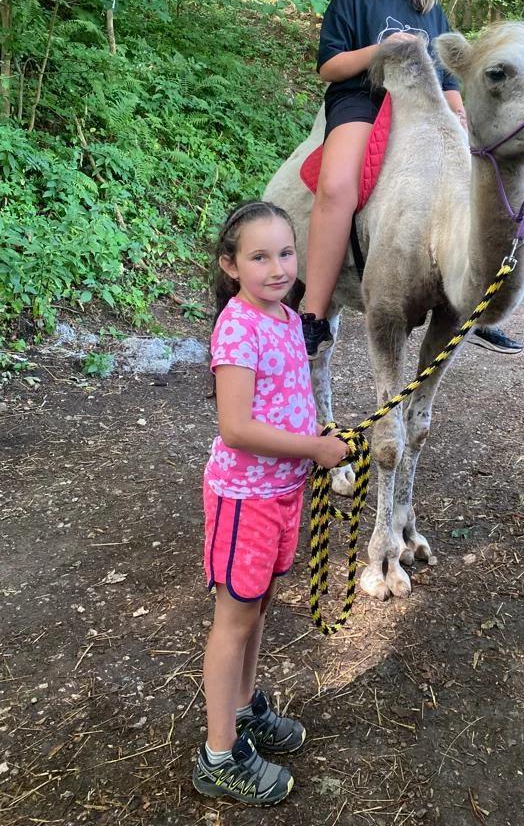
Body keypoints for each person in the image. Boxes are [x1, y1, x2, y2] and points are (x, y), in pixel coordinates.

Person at [300, 0, 523, 359]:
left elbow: (446, 79)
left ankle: (475, 299)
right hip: (362, 98)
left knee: (478, 180)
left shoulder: (431, 9)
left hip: (426, 111)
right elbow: (329, 66)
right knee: (338, 185)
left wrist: (459, 111)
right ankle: (314, 313)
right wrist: (381, 50)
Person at [192, 200, 349, 807]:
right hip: (244, 499)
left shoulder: (285, 317)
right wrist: (314, 445)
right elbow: (235, 428)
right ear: (231, 266)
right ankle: (219, 754)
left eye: (286, 252)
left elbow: (289, 398)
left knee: (257, 609)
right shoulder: (237, 327)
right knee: (234, 621)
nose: (278, 266)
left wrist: (313, 449)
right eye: (259, 256)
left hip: (283, 493)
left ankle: (242, 707)